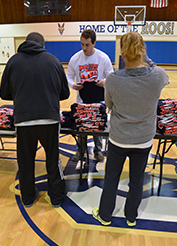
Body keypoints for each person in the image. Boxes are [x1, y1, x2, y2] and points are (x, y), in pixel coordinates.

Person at [92, 31, 169, 227]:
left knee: (111, 178)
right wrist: (145, 57)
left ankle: (105, 216)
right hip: (143, 140)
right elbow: (155, 69)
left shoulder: (113, 79)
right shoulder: (158, 76)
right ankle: (131, 216)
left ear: (122, 54)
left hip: (119, 138)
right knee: (136, 179)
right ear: (143, 51)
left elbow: (109, 104)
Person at [0, 32, 70, 208]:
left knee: (25, 160)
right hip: (50, 121)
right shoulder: (54, 61)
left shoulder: (13, 61)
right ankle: (56, 197)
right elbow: (65, 93)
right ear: (42, 45)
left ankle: (28, 197)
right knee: (53, 160)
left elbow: (3, 93)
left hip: (24, 121)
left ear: (25, 43)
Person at [66, 29, 113, 162]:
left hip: (98, 98)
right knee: (81, 126)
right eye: (82, 44)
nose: (84, 48)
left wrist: (105, 81)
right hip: (82, 99)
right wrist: (73, 85)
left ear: (94, 43)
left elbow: (111, 73)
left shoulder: (103, 57)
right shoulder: (75, 58)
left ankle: (98, 151)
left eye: (87, 44)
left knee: (97, 126)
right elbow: (69, 76)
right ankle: (80, 151)